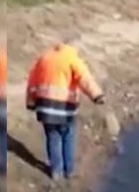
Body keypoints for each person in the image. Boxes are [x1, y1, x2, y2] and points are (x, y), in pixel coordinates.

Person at [26, 40, 109, 181]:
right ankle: (69, 170)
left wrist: (31, 102)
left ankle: (56, 172)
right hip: (65, 108)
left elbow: (32, 83)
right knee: (68, 137)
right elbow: (85, 79)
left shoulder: (44, 58)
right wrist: (97, 96)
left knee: (53, 137)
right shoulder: (72, 59)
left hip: (45, 108)